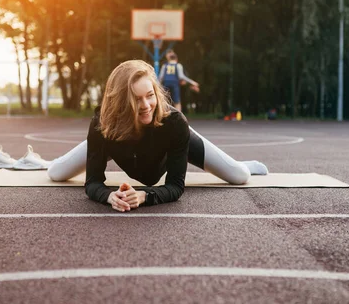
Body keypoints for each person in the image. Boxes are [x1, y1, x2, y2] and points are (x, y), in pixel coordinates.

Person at [46, 60, 268, 212]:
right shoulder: (103, 124)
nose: (145, 105)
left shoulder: (175, 123)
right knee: (55, 172)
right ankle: (36, 160)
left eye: (150, 95)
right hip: (120, 133)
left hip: (170, 140)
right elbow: (93, 182)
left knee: (239, 175)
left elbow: (175, 186)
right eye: (136, 99)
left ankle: (239, 163)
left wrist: (144, 196)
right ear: (122, 102)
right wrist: (108, 196)